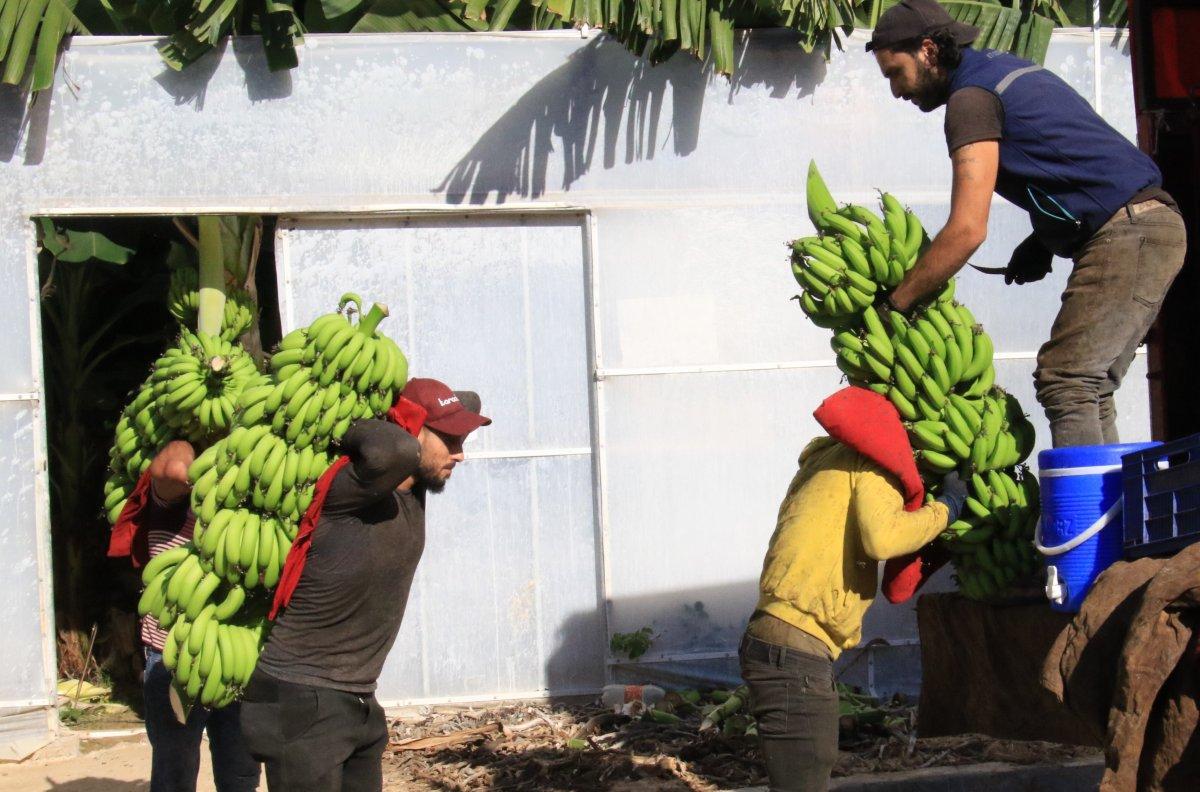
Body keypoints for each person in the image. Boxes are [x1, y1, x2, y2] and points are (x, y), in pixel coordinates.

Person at [867, 0, 1187, 448]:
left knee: (1067, 379)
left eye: (894, 73)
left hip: (1129, 232)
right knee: (1089, 386)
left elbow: (966, 230)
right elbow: (1072, 159)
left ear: (927, 51)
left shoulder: (971, 100)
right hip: (1147, 224)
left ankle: (1084, 518)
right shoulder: (1003, 70)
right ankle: (1112, 510)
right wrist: (1044, 237)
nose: (897, 91)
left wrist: (896, 304)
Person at [239, 377, 490, 791]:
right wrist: (345, 416)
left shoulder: (415, 488)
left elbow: (469, 400)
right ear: (408, 430)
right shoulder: (347, 491)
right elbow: (394, 448)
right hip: (301, 697)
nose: (460, 454)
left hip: (355, 700)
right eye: (449, 439)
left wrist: (441, 411)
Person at [741, 387, 967, 792]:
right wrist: (945, 508)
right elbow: (883, 538)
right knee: (804, 777)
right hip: (795, 647)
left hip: (778, 636)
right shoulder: (874, 463)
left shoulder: (828, 458)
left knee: (808, 766)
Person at [140, 440, 261, 792]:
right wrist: (216, 475)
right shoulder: (173, 501)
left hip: (238, 655)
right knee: (174, 771)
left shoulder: (257, 517)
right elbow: (171, 470)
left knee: (241, 774)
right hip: (175, 654)